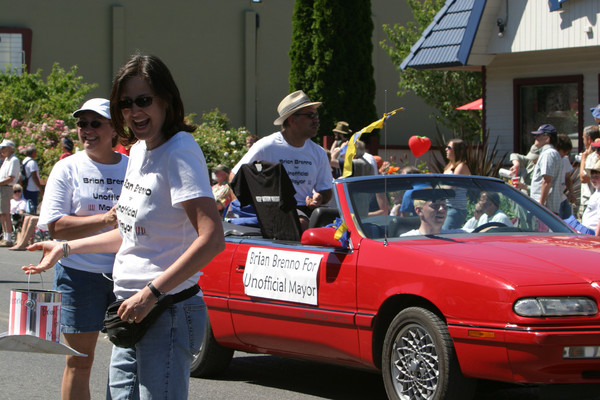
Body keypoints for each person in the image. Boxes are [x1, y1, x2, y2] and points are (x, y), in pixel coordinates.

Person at [23, 54, 225, 399]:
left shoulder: (179, 151)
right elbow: (130, 233)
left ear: (167, 100)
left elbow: (212, 238)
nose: (134, 111)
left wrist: (152, 293)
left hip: (167, 310)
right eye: (125, 103)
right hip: (129, 310)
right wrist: (66, 248)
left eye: (143, 100)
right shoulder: (140, 151)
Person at [29, 98, 129, 399]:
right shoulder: (67, 168)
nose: (87, 130)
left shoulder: (133, 167)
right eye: (81, 123)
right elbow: (55, 226)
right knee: (79, 361)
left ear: (114, 129)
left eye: (95, 123)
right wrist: (105, 219)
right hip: (79, 274)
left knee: (127, 361)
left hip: (127, 274)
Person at [231, 90, 333, 231]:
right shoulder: (266, 146)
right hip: (273, 210)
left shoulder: (319, 153)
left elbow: (326, 189)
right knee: (301, 224)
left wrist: (319, 197)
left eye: (316, 115)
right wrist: (252, 206)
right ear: (292, 119)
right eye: (310, 115)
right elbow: (235, 176)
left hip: (304, 212)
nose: (316, 120)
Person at [530, 124, 563, 215]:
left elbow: (547, 181)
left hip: (546, 208)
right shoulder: (550, 153)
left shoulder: (548, 154)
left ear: (547, 138)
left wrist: (541, 205)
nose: (535, 137)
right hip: (548, 207)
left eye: (538, 135)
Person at [442, 138, 471, 229]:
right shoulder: (449, 166)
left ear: (457, 151)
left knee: (445, 234)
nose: (446, 149)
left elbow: (451, 188)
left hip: (456, 209)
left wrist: (434, 188)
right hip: (446, 207)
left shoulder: (461, 166)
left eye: (449, 147)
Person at [0, 139, 20, 246]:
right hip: (3, 187)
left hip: (6, 187)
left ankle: (8, 238)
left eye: (4, 148)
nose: (2, 150)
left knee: (5, 213)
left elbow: (11, 177)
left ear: (10, 148)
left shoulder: (14, 160)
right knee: (2, 214)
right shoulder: (7, 160)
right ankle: (5, 236)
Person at [578, 125, 600, 218]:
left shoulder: (591, 157)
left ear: (589, 139)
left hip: (590, 200)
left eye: (598, 150)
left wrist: (583, 158)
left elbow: (583, 178)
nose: (596, 152)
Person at [8, 183, 39, 251]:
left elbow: (21, 212)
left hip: (17, 217)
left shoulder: (23, 201)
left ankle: (19, 242)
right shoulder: (10, 201)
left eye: (19, 191)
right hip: (9, 216)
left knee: (18, 222)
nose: (17, 193)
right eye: (15, 191)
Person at [556, 134, 575, 219]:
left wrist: (571, 192)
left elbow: (567, 178)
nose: (565, 155)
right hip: (554, 201)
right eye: (564, 152)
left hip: (563, 198)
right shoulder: (551, 159)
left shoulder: (565, 159)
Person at [21, 145, 44, 214]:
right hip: (32, 187)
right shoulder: (32, 162)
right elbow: (34, 176)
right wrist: (40, 187)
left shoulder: (24, 161)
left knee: (27, 204)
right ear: (32, 153)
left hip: (26, 186)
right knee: (32, 206)